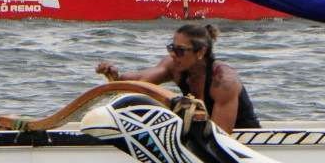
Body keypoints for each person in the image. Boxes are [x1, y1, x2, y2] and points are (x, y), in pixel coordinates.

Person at [95, 23, 261, 133]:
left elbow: (220, 140)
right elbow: (139, 81)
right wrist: (115, 75)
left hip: (241, 138)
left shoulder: (224, 81)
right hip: (205, 133)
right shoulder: (174, 66)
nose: (173, 55)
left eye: (180, 50)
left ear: (201, 52)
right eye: (171, 48)